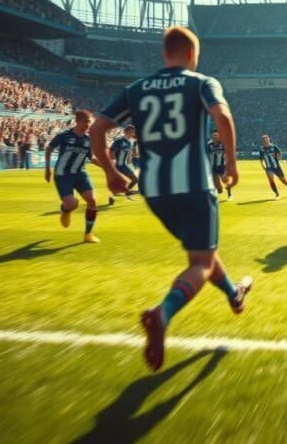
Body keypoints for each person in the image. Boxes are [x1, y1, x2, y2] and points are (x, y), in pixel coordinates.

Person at [89, 25, 253, 372]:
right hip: (193, 183)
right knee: (200, 263)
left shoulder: (135, 89)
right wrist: (232, 165)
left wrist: (110, 172)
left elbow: (97, 129)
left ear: (164, 54)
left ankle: (234, 295)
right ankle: (163, 314)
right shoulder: (201, 82)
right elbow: (222, 116)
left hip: (154, 189)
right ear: (193, 55)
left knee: (203, 253)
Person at [45, 110, 102, 243]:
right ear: (77, 121)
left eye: (89, 122)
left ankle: (88, 234)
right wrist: (47, 169)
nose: (88, 125)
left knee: (92, 201)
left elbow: (91, 158)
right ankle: (65, 210)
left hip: (80, 174)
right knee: (71, 204)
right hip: (63, 174)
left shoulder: (89, 140)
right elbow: (49, 148)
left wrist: (107, 167)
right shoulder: (64, 135)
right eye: (85, 122)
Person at [109, 125, 139, 200]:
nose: (134, 134)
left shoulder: (129, 142)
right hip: (117, 165)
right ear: (128, 131)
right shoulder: (119, 140)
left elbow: (129, 153)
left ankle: (126, 193)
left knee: (135, 180)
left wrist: (131, 157)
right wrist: (113, 161)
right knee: (119, 183)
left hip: (123, 165)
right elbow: (111, 151)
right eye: (133, 132)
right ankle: (112, 197)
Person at [259, 134, 287, 199]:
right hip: (269, 168)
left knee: (283, 180)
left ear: (268, 139)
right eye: (264, 140)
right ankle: (276, 193)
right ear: (262, 141)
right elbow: (261, 159)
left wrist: (279, 159)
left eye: (266, 139)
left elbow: (279, 153)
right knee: (271, 180)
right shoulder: (261, 149)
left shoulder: (274, 146)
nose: (265, 141)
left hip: (276, 167)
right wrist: (263, 166)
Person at [207, 130, 232, 201]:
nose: (215, 137)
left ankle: (230, 194)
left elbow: (227, 152)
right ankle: (216, 195)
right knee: (215, 183)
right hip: (212, 166)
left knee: (225, 181)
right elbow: (206, 154)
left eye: (216, 136)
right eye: (213, 136)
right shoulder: (209, 145)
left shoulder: (222, 144)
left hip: (221, 166)